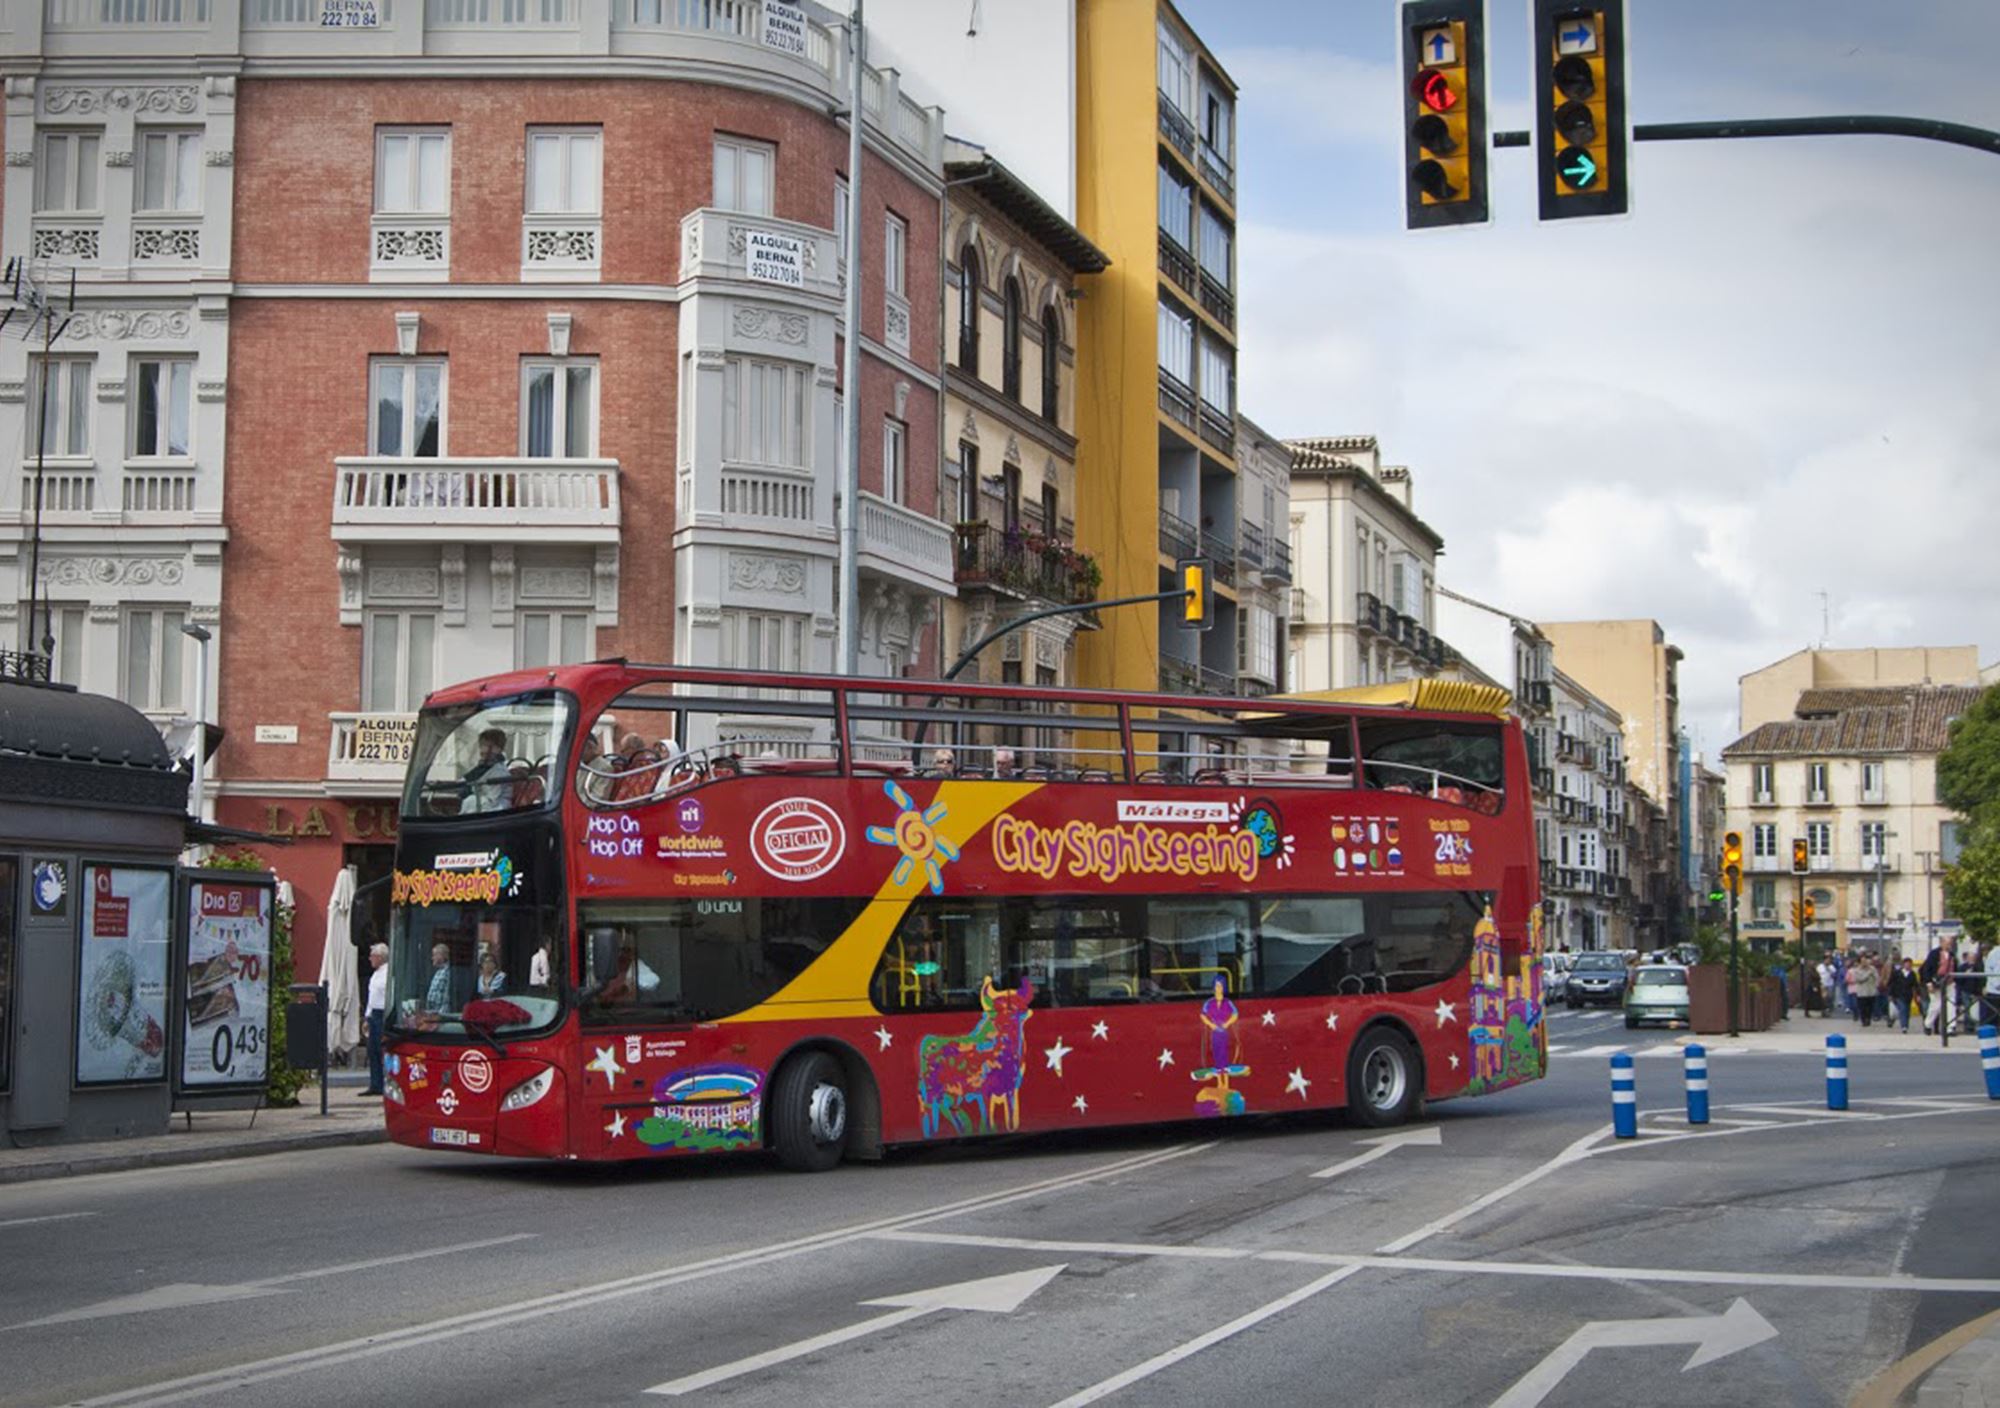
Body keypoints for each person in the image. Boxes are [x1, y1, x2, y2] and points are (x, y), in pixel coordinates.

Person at [361, 942, 389, 1096]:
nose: (370, 959)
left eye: (372, 956)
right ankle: (375, 1083)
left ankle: (382, 1083)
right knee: (372, 1050)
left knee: (381, 1050)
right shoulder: (375, 974)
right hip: (374, 1014)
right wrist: (367, 1017)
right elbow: (372, 997)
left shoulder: (387, 973)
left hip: (382, 1013)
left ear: (379, 957)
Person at [461, 728, 510, 813]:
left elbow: (493, 799)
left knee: (469, 802)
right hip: (482, 802)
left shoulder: (499, 771)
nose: (484, 750)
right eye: (482, 745)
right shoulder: (483, 767)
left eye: (489, 746)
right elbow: (466, 779)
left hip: (495, 807)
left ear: (499, 749)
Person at [1886, 956, 1916, 1034]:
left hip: (1908, 996)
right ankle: (1904, 1026)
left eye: (1910, 964)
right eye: (1907, 964)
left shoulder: (1912, 974)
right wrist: (1890, 994)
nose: (1908, 966)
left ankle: (1903, 1023)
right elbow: (1891, 983)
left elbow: (1915, 985)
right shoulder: (1897, 973)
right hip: (1898, 995)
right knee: (1902, 1009)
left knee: (1907, 1011)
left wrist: (1917, 995)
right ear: (1903, 964)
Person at [1849, 952, 1879, 1027]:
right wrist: (1868, 973)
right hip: (1861, 992)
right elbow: (1860, 979)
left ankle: (1868, 1019)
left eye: (1865, 961)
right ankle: (1863, 1020)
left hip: (1871, 991)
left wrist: (1876, 985)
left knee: (1870, 1007)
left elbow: (1877, 977)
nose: (1864, 963)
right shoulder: (1857, 970)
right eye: (1863, 961)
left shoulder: (1872, 968)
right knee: (1862, 1008)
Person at [424, 942, 454, 1013]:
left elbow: (447, 997)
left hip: (440, 1015)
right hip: (432, 1012)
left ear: (441, 956)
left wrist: (441, 1015)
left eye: (434, 955)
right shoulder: (438, 972)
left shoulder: (448, 972)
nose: (432, 958)